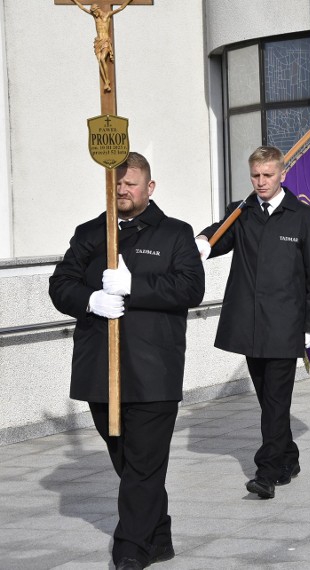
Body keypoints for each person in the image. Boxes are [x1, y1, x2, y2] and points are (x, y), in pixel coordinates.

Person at [49, 152, 205, 569]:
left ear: (149, 188)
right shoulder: (90, 234)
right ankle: (159, 533)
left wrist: (137, 286)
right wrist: (90, 299)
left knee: (142, 465)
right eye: (117, 184)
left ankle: (130, 549)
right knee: (128, 461)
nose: (122, 190)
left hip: (154, 370)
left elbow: (191, 288)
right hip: (100, 370)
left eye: (131, 183)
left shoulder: (175, 234)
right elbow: (60, 284)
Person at [195, 146, 310, 500]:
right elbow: (221, 234)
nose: (261, 182)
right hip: (251, 324)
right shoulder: (244, 211)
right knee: (268, 400)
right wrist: (205, 241)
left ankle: (266, 472)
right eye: (255, 175)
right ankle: (289, 457)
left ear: (282, 174)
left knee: (277, 398)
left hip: (286, 324)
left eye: (268, 175)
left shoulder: (303, 217)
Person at [71, 0, 133, 92]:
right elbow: (83, 8)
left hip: (105, 41)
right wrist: (74, 0)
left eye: (94, 12)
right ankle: (106, 82)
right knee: (99, 61)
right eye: (93, 13)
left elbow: (120, 8)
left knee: (103, 58)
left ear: (97, 9)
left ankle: (107, 82)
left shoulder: (107, 15)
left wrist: (129, 1)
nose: (94, 14)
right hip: (98, 42)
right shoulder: (95, 17)